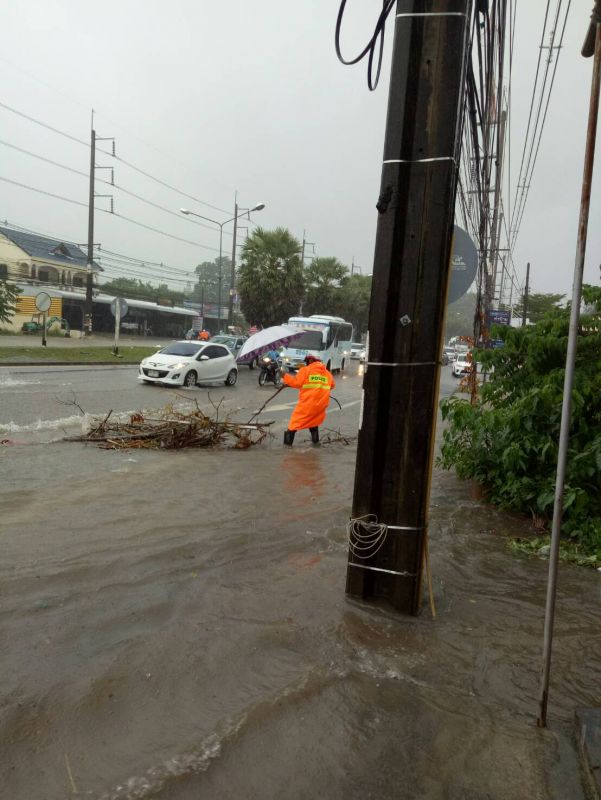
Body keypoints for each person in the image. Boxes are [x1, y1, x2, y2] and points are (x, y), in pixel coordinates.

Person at [282, 355, 335, 446]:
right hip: (321, 405)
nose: (306, 363)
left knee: (293, 424)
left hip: (307, 404)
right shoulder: (327, 373)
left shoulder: (305, 370)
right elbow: (332, 385)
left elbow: (296, 383)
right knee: (313, 422)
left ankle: (287, 448)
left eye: (306, 361)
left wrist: (284, 376)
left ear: (310, 361)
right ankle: (316, 444)